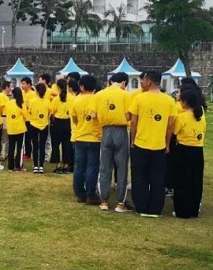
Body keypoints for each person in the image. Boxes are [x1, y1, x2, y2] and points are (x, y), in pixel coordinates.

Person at [129, 71, 178, 218]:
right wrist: (167, 144)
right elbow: (170, 125)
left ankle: (141, 207)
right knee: (158, 178)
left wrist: (132, 140)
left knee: (140, 176)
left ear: (149, 82)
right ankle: (156, 209)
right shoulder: (169, 100)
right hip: (159, 145)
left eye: (143, 81)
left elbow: (133, 122)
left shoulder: (139, 99)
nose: (142, 83)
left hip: (141, 143)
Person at [92, 72, 133, 213]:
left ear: (111, 81)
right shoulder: (126, 95)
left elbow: (93, 115)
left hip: (106, 131)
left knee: (104, 167)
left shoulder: (99, 95)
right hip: (121, 131)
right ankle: (120, 203)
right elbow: (128, 115)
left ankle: (104, 201)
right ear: (124, 82)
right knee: (122, 168)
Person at [172, 88, 207, 219]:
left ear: (186, 102)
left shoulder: (182, 117)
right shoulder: (201, 114)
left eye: (181, 100)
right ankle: (193, 209)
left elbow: (174, 132)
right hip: (198, 150)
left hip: (183, 149)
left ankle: (182, 210)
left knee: (181, 181)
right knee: (195, 181)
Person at [71, 75, 102, 204]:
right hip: (95, 138)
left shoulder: (76, 100)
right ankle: (90, 194)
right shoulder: (98, 99)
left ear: (82, 86)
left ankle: (80, 194)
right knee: (92, 167)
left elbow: (74, 119)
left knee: (79, 167)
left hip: (80, 137)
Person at [48, 79, 73, 174]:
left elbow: (52, 112)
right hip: (68, 123)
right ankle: (66, 165)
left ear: (58, 87)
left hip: (58, 123)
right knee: (66, 144)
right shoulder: (72, 98)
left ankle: (58, 165)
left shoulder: (56, 99)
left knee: (55, 144)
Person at [27, 82, 51, 173]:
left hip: (33, 125)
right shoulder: (48, 101)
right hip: (44, 125)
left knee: (35, 145)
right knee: (42, 146)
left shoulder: (32, 101)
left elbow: (29, 111)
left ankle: (35, 166)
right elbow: (49, 113)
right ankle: (41, 166)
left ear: (36, 91)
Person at [5, 88, 28, 172]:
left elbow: (6, 113)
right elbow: (26, 116)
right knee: (20, 148)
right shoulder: (21, 104)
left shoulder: (8, 103)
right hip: (20, 129)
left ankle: (10, 167)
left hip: (11, 129)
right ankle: (18, 166)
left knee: (11, 148)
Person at [20, 77, 35, 162]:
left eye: (24, 84)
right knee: (23, 137)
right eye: (21, 83)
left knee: (28, 138)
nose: (22, 85)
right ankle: (24, 153)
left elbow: (31, 107)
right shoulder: (21, 93)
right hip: (22, 119)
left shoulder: (32, 94)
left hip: (29, 119)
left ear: (29, 85)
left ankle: (28, 154)